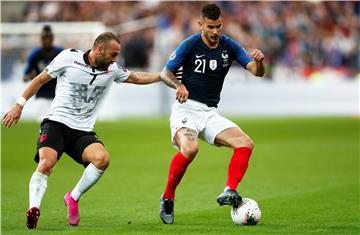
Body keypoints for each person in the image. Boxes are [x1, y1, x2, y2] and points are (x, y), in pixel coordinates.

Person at [2, 32, 161, 229]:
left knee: (102, 160)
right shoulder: (69, 58)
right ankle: (34, 209)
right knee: (46, 163)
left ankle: (73, 197)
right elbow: (40, 80)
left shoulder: (112, 69)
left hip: (82, 130)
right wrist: (19, 105)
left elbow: (136, 77)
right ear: (99, 50)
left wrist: (161, 76)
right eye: (113, 54)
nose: (116, 59)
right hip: (56, 123)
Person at [159, 4, 265, 224]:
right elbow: (165, 72)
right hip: (186, 108)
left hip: (210, 112)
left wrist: (260, 63)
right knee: (190, 148)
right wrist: (178, 85)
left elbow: (256, 72)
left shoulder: (229, 45)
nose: (215, 32)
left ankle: (229, 190)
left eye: (218, 26)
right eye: (210, 27)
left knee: (245, 143)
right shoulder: (189, 45)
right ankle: (168, 197)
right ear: (201, 24)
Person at [23, 25, 63, 118]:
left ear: (53, 38)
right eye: (45, 38)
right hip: (42, 96)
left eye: (49, 38)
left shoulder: (60, 53)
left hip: (58, 97)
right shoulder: (35, 55)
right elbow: (25, 76)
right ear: (41, 39)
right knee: (45, 126)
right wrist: (31, 76)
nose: (47, 40)